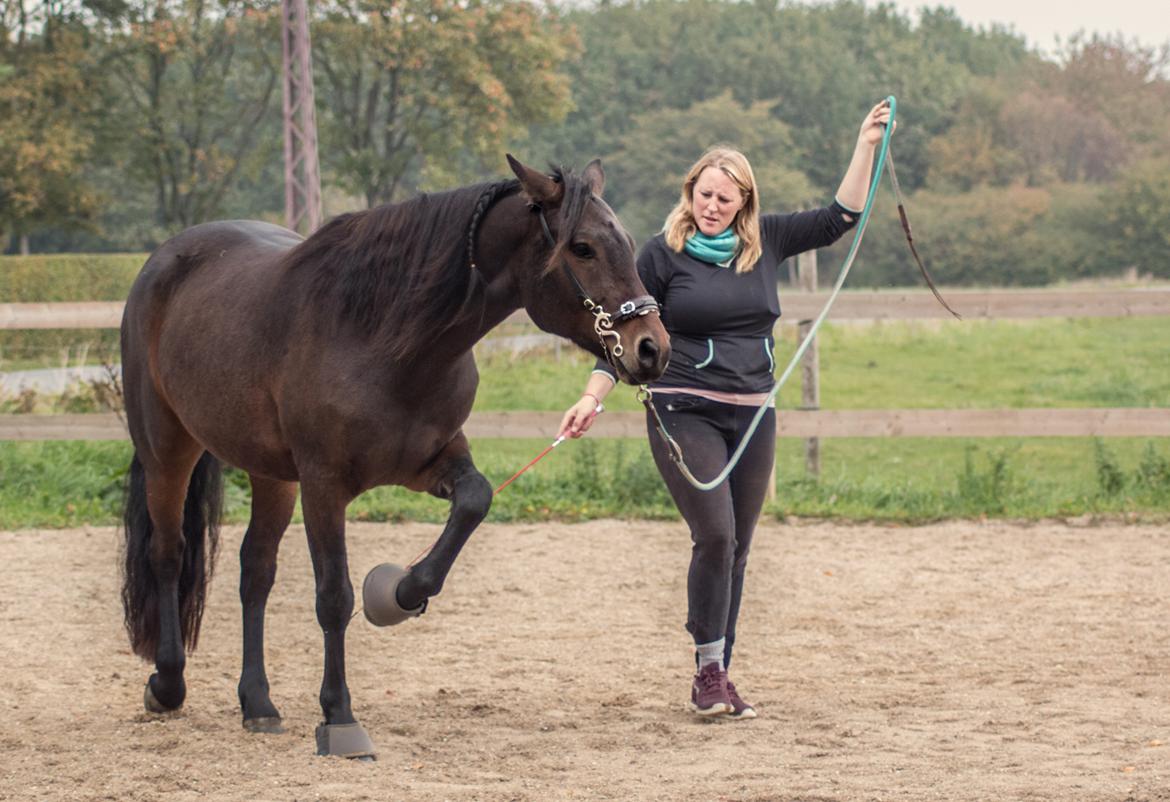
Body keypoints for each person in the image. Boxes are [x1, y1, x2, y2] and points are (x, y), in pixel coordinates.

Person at [558, 101, 893, 719]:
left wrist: (865, 144)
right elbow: (629, 338)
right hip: (683, 407)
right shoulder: (659, 256)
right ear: (691, 193)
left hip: (754, 416)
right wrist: (591, 396)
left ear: (744, 203)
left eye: (726, 198)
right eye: (705, 194)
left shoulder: (769, 244)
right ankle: (709, 670)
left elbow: (840, 216)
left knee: (738, 547)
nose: (712, 206)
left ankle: (716, 671)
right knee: (714, 535)